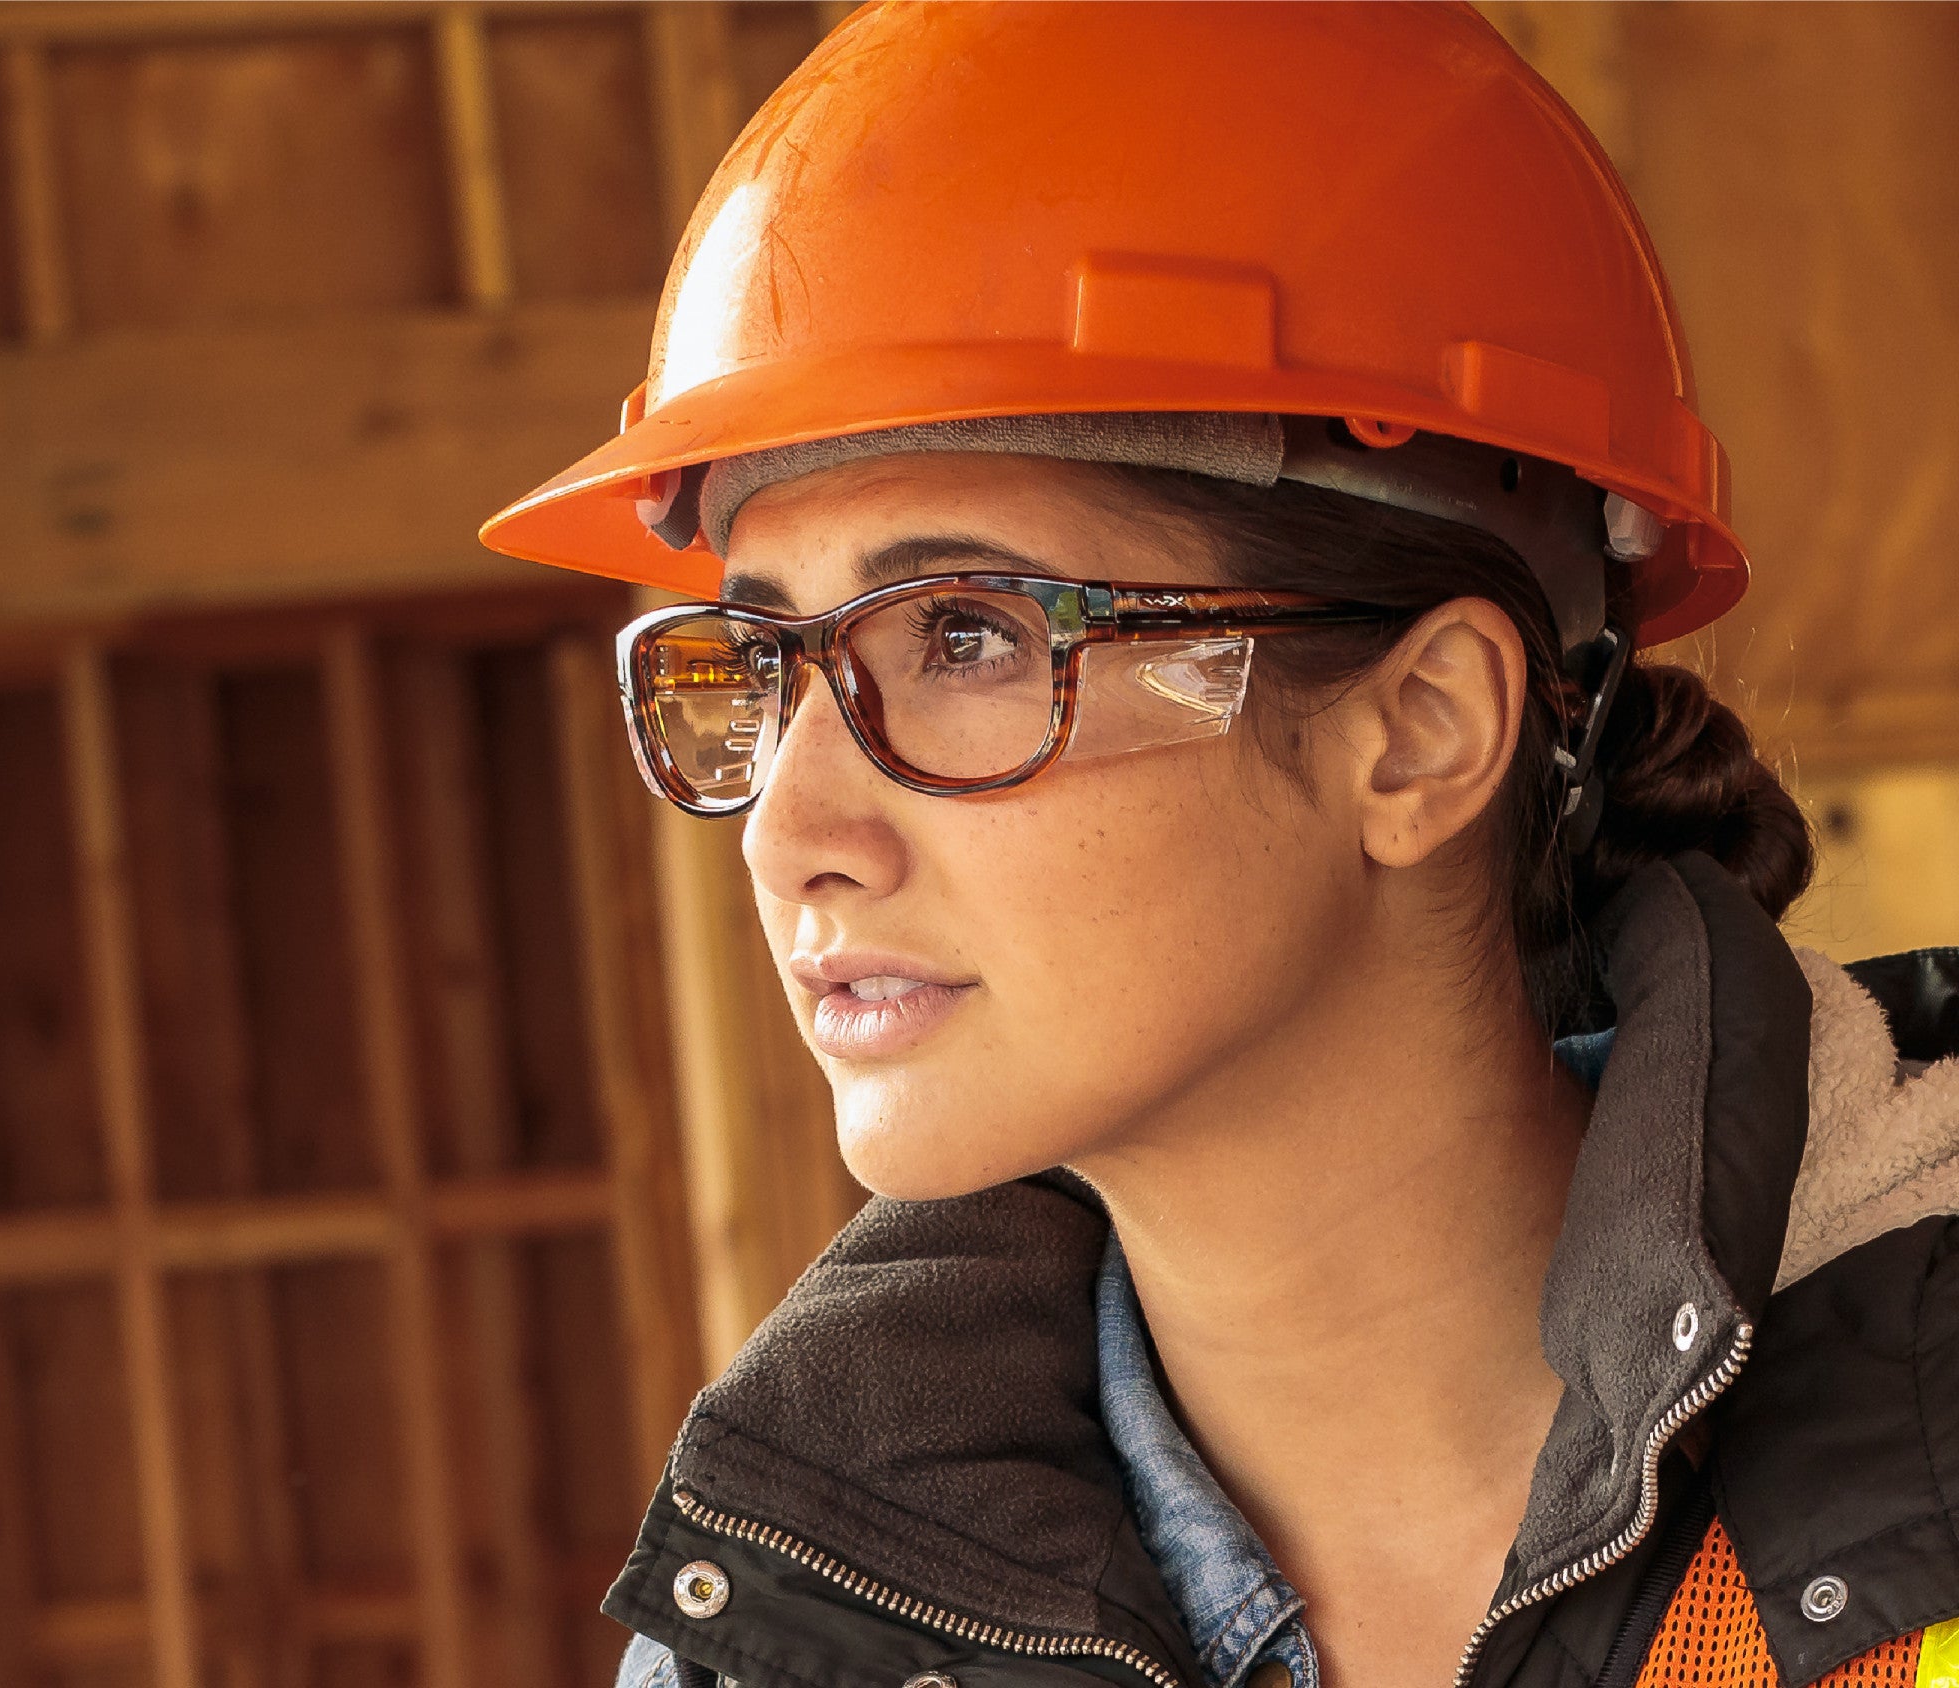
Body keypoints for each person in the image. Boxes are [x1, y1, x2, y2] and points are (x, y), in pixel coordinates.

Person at [476, 8, 1959, 1688]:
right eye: (764, 665)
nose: (794, 834)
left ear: (1422, 732)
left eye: (963, 637)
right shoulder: (771, 1647)